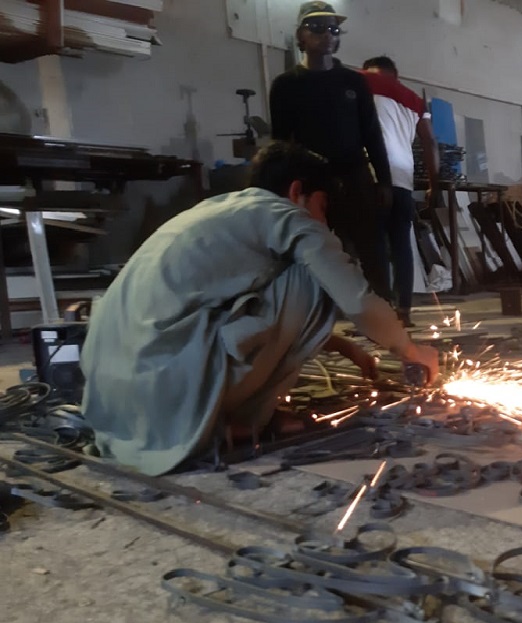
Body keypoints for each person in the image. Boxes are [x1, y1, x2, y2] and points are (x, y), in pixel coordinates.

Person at [80, 141, 440, 477]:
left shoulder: (220, 211)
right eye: (322, 207)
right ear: (297, 191)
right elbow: (357, 299)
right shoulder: (285, 215)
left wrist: (343, 345)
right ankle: (237, 420)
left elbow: (214, 310)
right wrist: (410, 350)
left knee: (309, 271)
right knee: (318, 273)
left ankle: (217, 415)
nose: (322, 221)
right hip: (169, 402)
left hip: (120, 406)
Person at [269, 2, 393, 300]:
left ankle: (385, 311)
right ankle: (314, 313)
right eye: (317, 28)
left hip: (354, 175)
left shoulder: (353, 83)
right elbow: (281, 142)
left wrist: (384, 181)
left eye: (333, 29)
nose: (326, 34)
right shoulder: (286, 85)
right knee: (312, 249)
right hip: (311, 180)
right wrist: (281, 190)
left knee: (372, 248)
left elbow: (372, 134)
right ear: (300, 35)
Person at [363, 55, 439, 327]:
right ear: (395, 74)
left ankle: (379, 316)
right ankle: (403, 312)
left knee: (373, 248)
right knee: (401, 247)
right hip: (403, 180)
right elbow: (430, 142)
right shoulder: (414, 100)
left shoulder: (360, 83)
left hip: (372, 177)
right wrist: (433, 185)